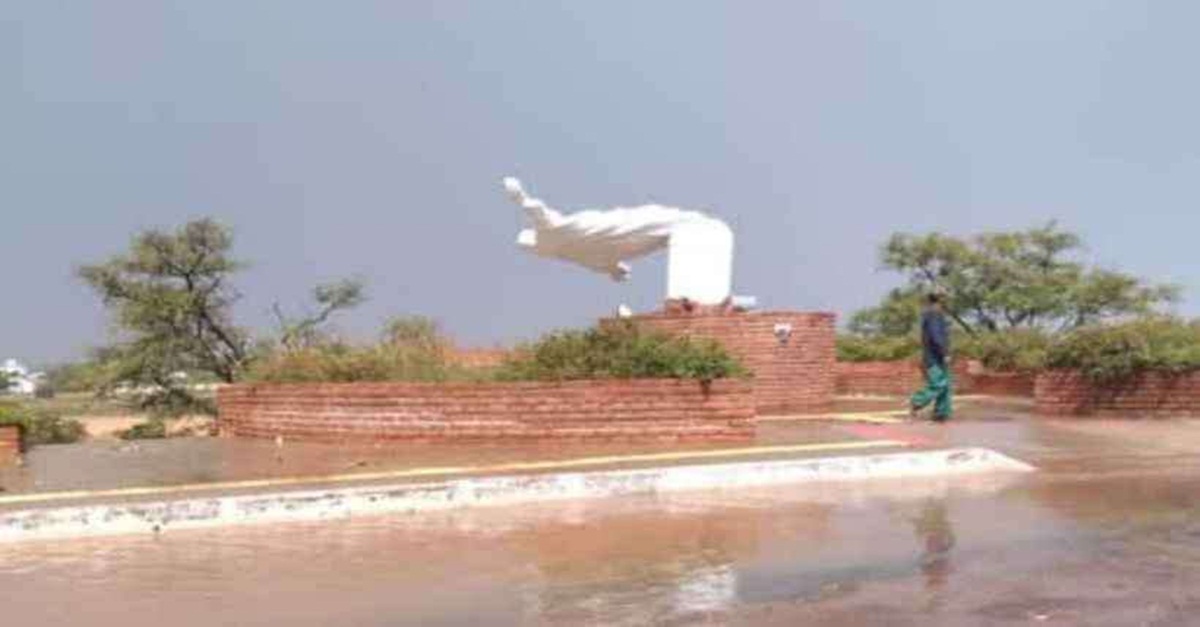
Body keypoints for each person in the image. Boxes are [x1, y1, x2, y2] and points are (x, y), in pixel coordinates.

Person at [910, 292, 952, 422]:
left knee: (945, 386)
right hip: (934, 357)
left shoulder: (934, 314)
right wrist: (944, 353)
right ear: (940, 300)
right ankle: (917, 401)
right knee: (939, 384)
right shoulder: (934, 314)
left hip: (936, 356)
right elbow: (936, 337)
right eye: (944, 298)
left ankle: (941, 413)